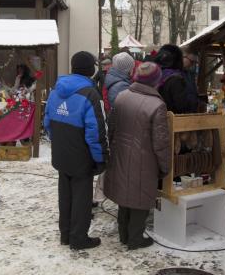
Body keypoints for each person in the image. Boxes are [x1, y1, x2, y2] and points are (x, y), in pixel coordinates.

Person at [43, 51, 108, 250]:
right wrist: (101, 158)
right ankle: (78, 237)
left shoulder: (56, 90)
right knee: (81, 197)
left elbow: (47, 122)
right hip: (82, 155)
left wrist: (60, 142)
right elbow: (95, 132)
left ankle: (66, 234)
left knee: (65, 194)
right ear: (91, 69)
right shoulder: (90, 93)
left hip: (61, 152)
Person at [104, 62, 170, 250]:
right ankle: (135, 238)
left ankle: (124, 234)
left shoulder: (122, 96)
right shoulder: (157, 105)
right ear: (156, 82)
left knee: (124, 195)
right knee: (140, 198)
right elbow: (161, 143)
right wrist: (165, 166)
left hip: (121, 154)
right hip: (144, 160)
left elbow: (112, 128)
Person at [155, 44, 197, 114]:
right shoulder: (176, 79)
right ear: (181, 58)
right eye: (191, 61)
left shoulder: (157, 73)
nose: (192, 64)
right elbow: (181, 105)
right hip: (173, 118)